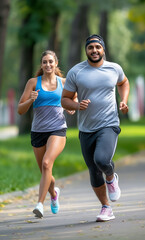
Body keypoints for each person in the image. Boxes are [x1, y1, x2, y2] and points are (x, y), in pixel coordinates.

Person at [61, 34, 130, 222]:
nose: (94, 50)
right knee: (93, 170)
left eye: (97, 47)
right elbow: (65, 99)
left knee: (101, 159)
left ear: (103, 50)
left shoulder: (114, 68)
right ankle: (106, 207)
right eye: (90, 47)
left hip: (109, 124)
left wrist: (123, 101)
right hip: (86, 128)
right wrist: (77, 106)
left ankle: (110, 177)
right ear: (86, 50)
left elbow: (123, 82)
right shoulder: (76, 71)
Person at [18, 50, 74, 218]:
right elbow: (21, 110)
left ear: (56, 63)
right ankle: (54, 193)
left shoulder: (64, 82)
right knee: (45, 172)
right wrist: (31, 99)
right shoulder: (33, 83)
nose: (48, 64)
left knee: (47, 163)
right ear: (41, 65)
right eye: (44, 62)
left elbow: (73, 100)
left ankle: (39, 204)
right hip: (38, 132)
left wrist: (72, 107)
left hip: (58, 129)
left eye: (51, 61)